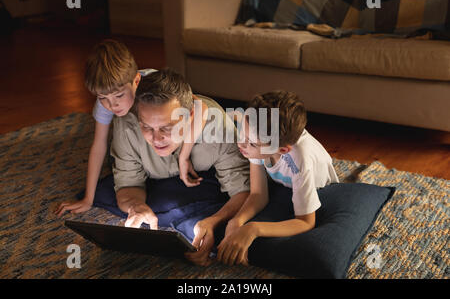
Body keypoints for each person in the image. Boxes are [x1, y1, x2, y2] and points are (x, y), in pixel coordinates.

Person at [110, 68, 250, 266]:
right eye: (147, 127)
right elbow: (127, 184)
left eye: (167, 128)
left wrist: (214, 221)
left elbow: (244, 192)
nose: (156, 139)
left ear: (190, 116)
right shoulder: (126, 126)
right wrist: (136, 207)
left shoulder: (220, 130)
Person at [55, 40, 207, 217]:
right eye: (102, 97)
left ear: (136, 80)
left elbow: (200, 107)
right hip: (133, 145)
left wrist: (184, 156)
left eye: (119, 95)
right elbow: (99, 145)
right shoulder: (106, 103)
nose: (112, 105)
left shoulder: (154, 84)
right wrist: (88, 199)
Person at [217, 90, 339, 266]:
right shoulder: (255, 137)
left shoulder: (300, 161)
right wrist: (237, 221)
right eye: (242, 133)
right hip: (283, 182)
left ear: (282, 150)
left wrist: (253, 229)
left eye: (251, 143)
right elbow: (258, 194)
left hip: (321, 188)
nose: (241, 143)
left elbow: (305, 221)